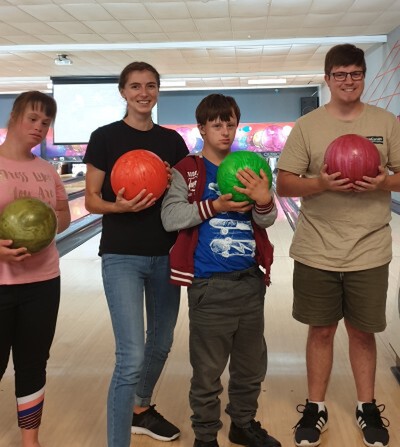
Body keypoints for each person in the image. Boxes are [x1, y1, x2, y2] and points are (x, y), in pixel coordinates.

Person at [276, 43, 400, 447]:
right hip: (318, 247)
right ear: (328, 79)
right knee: (321, 330)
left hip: (369, 247)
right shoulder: (307, 126)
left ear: (363, 76)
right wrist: (321, 184)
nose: (349, 81)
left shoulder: (387, 122)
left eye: (356, 73)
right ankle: (316, 406)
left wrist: (384, 181)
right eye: (340, 74)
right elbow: (285, 183)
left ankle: (367, 408)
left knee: (363, 333)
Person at [161, 93, 281, 447]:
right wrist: (214, 205)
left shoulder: (250, 166)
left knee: (250, 368)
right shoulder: (188, 171)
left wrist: (264, 199)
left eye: (230, 123)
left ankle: (242, 424)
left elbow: (269, 219)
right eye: (217, 124)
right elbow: (171, 218)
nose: (225, 131)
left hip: (249, 282)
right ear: (201, 128)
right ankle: (205, 437)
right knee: (208, 372)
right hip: (209, 285)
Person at [83, 61, 189, 447]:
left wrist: (172, 176)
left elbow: (185, 198)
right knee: (130, 356)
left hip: (165, 254)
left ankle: (139, 409)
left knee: (161, 343)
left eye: (151, 85)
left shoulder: (172, 142)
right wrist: (119, 208)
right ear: (123, 92)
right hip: (122, 255)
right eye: (135, 86)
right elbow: (92, 200)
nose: (143, 92)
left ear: (158, 90)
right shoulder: (105, 138)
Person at [0, 91, 71, 447]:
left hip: (43, 282)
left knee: (33, 363)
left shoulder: (46, 170)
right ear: (13, 117)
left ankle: (31, 440)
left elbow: (63, 216)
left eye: (45, 123)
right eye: (32, 119)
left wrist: (42, 229)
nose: (39, 127)